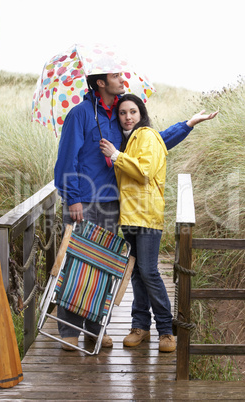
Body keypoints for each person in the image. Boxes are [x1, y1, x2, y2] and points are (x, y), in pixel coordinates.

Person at [54, 73, 218, 351]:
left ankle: (95, 329)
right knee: (76, 264)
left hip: (113, 204)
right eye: (115, 75)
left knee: (103, 268)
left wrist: (187, 125)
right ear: (101, 83)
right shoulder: (80, 114)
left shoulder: (120, 117)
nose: (122, 78)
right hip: (83, 202)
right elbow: (66, 158)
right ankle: (70, 329)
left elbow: (156, 142)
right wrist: (72, 198)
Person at [99, 94, 177, 351]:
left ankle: (166, 330)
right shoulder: (128, 140)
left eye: (132, 111)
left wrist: (116, 155)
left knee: (149, 271)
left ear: (141, 113)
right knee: (136, 272)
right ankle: (140, 326)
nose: (128, 116)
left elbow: (145, 172)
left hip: (147, 214)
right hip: (129, 214)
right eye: (122, 113)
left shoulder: (147, 136)